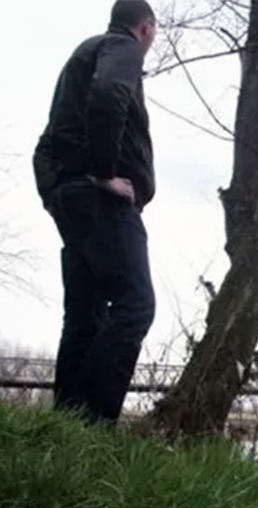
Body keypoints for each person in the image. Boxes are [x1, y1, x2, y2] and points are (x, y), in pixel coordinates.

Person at [32, 0, 158, 425]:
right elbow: (109, 95)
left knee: (85, 315)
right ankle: (93, 424)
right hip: (100, 199)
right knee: (135, 304)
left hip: (72, 198)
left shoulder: (81, 59)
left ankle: (65, 427)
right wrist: (104, 174)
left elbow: (46, 144)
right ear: (146, 27)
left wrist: (56, 193)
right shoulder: (122, 48)